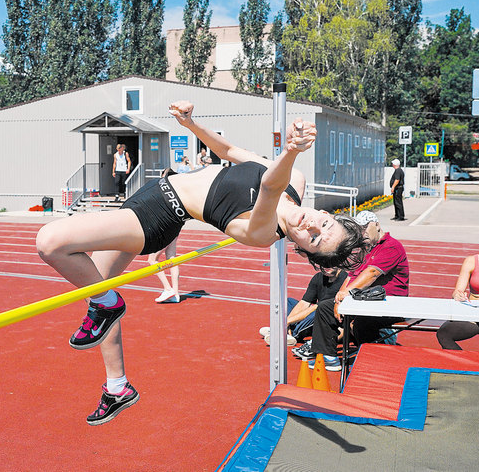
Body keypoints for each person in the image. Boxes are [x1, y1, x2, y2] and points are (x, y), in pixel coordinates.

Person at [35, 99, 370, 425]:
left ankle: (107, 305)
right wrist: (191, 125)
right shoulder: (297, 181)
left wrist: (292, 149)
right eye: (323, 224)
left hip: (155, 216)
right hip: (152, 193)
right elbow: (230, 153)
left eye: (313, 238)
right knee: (97, 282)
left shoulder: (263, 231)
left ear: (303, 249)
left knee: (50, 243)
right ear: (325, 214)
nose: (310, 225)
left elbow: (269, 186)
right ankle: (117, 386)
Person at [307, 210, 409, 371]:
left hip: (390, 304)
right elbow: (351, 277)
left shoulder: (392, 246)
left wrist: (345, 295)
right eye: (358, 230)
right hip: (366, 302)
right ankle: (327, 356)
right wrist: (338, 300)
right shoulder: (366, 250)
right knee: (325, 307)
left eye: (364, 228)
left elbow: (372, 273)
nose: (361, 233)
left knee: (362, 321)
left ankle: (372, 359)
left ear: (376, 224)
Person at [260, 266, 347, 349]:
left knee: (319, 310)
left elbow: (316, 307)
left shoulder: (343, 279)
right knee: (289, 301)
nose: (325, 266)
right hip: (318, 310)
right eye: (322, 262)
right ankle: (285, 330)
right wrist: (286, 322)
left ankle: (293, 334)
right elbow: (305, 302)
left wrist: (288, 321)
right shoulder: (318, 277)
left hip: (333, 319)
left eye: (330, 263)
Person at [436, 234, 479, 349]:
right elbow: (457, 291)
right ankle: (463, 365)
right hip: (475, 316)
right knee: (444, 334)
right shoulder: (471, 261)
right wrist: (458, 295)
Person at [147, 237, 181, 303]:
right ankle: (175, 294)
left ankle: (168, 289)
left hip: (165, 232)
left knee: (152, 259)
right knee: (172, 259)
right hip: (174, 230)